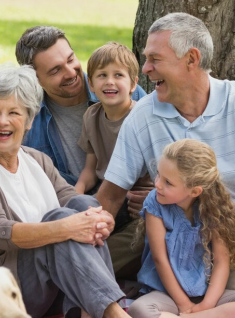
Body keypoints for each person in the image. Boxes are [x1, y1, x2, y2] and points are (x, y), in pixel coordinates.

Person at [97, 12, 235, 296]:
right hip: (188, 243)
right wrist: (83, 237)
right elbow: (112, 194)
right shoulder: (143, 115)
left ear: (191, 59)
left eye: (155, 58)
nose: (146, 68)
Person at [0, 64, 129, 318]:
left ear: (30, 120)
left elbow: (73, 199)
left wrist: (100, 218)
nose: (2, 121)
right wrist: (68, 227)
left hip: (50, 285)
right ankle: (115, 314)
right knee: (61, 221)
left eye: (14, 112)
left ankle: (90, 311)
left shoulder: (36, 159)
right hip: (0, 292)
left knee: (83, 207)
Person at [127, 139, 235, 318]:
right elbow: (160, 259)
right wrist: (183, 303)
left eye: (168, 182)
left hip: (207, 293)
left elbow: (221, 261)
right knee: (139, 310)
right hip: (167, 294)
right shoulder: (154, 202)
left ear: (194, 191)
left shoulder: (214, 207)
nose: (157, 184)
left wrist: (206, 306)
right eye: (158, 175)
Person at [15, 25, 146, 186]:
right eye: (56, 70)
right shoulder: (28, 119)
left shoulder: (125, 92)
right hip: (71, 203)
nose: (70, 72)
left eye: (70, 59)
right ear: (35, 79)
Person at [76, 41, 153, 280]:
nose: (109, 81)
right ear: (91, 84)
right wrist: (73, 197)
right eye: (102, 75)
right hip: (104, 198)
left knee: (104, 257)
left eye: (118, 75)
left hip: (136, 205)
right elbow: (90, 169)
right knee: (77, 234)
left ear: (133, 84)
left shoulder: (143, 117)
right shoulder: (91, 115)